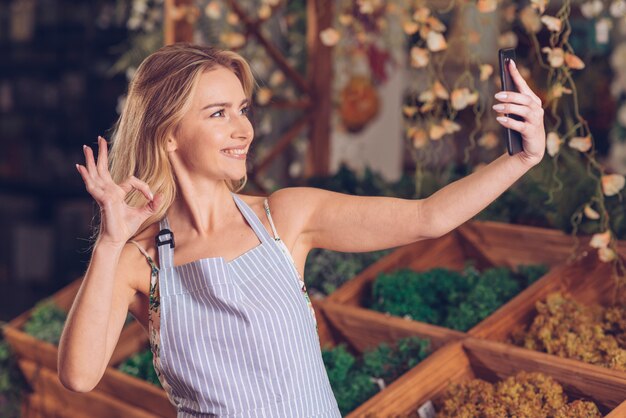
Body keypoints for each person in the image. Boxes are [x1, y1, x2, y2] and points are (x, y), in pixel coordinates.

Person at [57, 42, 546, 417]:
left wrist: (521, 158)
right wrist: (109, 242)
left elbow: (428, 218)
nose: (243, 129)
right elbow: (79, 377)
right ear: (168, 135)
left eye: (243, 109)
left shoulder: (284, 218)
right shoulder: (137, 262)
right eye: (218, 114)